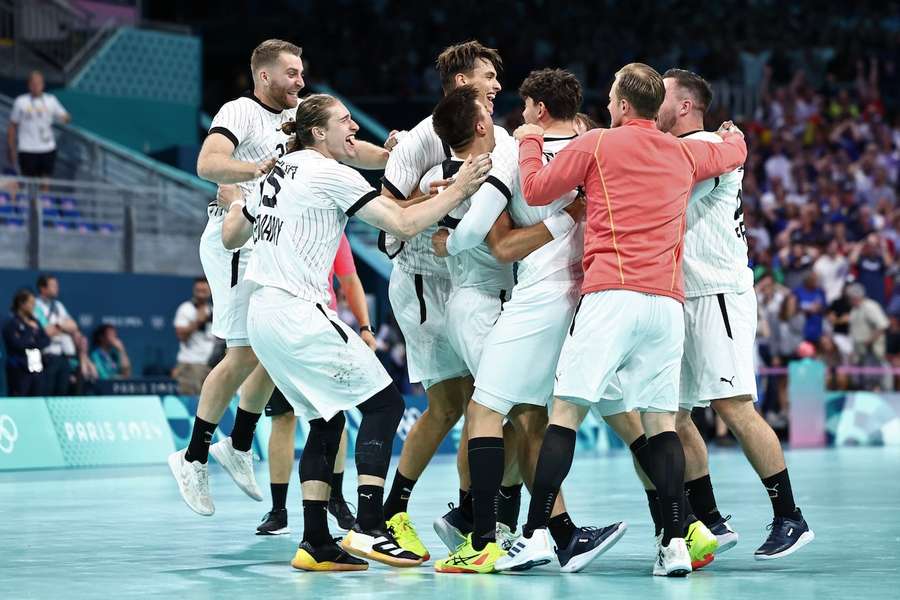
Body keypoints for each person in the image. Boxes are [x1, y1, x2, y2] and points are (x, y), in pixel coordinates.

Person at [221, 93, 492, 571]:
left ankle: (316, 543)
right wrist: (462, 186)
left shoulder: (277, 172)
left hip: (262, 315)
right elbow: (404, 223)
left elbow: (232, 238)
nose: (354, 128)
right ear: (318, 133)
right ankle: (369, 525)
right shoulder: (332, 174)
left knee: (327, 421)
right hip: (297, 310)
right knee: (384, 403)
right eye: (345, 121)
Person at [497, 63, 747, 577]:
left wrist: (528, 138)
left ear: (624, 105)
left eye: (611, 97)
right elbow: (734, 152)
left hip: (611, 294)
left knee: (564, 412)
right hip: (667, 304)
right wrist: (734, 135)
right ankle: (675, 544)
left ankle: (538, 533)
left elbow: (539, 189)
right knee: (661, 424)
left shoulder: (598, 144)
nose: (607, 105)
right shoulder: (684, 151)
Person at [171, 39, 393, 518]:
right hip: (234, 237)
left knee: (269, 346)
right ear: (265, 76)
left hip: (266, 240)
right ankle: (192, 457)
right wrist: (259, 169)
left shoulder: (296, 121)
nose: (301, 80)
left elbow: (352, 151)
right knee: (243, 351)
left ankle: (238, 442)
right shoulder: (241, 111)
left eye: (302, 72)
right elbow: (207, 164)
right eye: (292, 73)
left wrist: (394, 152)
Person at [427, 76, 623, 574]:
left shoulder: (517, 151)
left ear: (536, 108)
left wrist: (448, 236)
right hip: (560, 296)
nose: (502, 112)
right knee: (522, 415)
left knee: (493, 410)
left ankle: (490, 535)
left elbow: (478, 233)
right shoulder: (581, 148)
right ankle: (547, 532)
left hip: (532, 297)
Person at [653, 68, 814, 562]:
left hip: (718, 293)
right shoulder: (700, 146)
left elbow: (664, 202)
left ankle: (790, 516)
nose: (652, 104)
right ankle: (710, 520)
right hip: (686, 296)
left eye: (660, 96)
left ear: (684, 105)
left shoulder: (706, 149)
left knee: (733, 406)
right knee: (673, 416)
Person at [377, 40, 518, 560]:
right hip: (423, 281)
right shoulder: (418, 142)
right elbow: (387, 228)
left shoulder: (498, 137)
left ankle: (469, 514)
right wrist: (444, 194)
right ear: (462, 84)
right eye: (488, 76)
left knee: (485, 401)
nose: (498, 84)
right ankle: (393, 512)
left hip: (471, 282)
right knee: (450, 405)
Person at [256, 233, 377, 536]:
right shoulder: (278, 225)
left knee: (333, 416)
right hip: (281, 329)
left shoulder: (333, 232)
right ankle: (278, 509)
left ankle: (336, 499)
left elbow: (350, 280)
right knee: (281, 419)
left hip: (320, 330)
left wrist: (365, 327)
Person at [33, 274, 92, 395]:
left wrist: (57, 326)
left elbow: (73, 325)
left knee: (62, 392)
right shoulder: (35, 305)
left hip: (63, 357)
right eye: (53, 286)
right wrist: (63, 327)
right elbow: (46, 331)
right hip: (46, 356)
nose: (56, 288)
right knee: (47, 391)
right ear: (43, 288)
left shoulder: (58, 305)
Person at [7, 71, 70, 178]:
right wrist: (10, 147)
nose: (36, 87)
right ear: (29, 85)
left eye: (38, 83)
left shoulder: (51, 100)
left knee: (45, 180)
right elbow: (13, 125)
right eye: (33, 84)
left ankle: (43, 195)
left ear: (43, 85)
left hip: (47, 147)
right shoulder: (21, 101)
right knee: (28, 181)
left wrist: (63, 119)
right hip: (27, 148)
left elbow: (65, 116)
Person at [2, 289, 50, 396]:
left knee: (37, 400)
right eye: (31, 303)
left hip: (36, 368)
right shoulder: (11, 322)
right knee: (19, 399)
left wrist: (32, 342)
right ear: (21, 304)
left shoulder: (35, 321)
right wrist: (30, 332)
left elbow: (46, 340)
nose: (33, 306)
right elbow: (18, 345)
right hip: (19, 369)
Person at [173, 278, 215, 394]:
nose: (201, 294)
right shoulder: (185, 309)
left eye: (204, 290)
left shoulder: (213, 309)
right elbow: (181, 336)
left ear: (210, 291)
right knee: (191, 405)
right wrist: (197, 321)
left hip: (209, 364)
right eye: (198, 290)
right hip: (190, 364)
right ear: (194, 291)